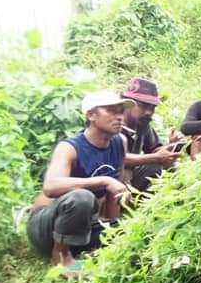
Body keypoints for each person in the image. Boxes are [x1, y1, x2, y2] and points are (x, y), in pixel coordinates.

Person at [26, 91, 133, 271]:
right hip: (45, 228)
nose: (119, 117)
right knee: (82, 197)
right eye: (112, 111)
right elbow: (50, 187)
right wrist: (103, 180)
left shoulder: (119, 142)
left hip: (80, 226)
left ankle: (80, 248)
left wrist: (111, 232)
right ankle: (60, 257)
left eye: (121, 111)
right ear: (91, 115)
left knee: (126, 228)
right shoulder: (69, 147)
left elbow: (114, 192)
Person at [121, 77, 182, 192]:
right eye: (143, 106)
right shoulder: (113, 124)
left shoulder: (142, 123)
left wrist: (171, 145)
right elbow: (119, 158)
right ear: (127, 104)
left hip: (133, 175)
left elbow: (154, 149)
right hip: (113, 176)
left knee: (170, 167)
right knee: (124, 172)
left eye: (152, 108)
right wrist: (155, 158)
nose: (149, 112)